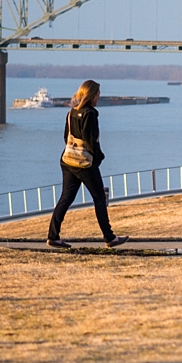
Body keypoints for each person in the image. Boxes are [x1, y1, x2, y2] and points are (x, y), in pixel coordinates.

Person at [47, 80, 128, 249]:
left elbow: (65, 137)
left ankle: (53, 236)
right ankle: (109, 237)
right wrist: (98, 158)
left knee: (66, 198)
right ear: (91, 96)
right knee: (99, 198)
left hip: (67, 159)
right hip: (84, 163)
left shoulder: (71, 112)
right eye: (98, 93)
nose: (99, 96)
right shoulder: (90, 114)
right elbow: (90, 140)